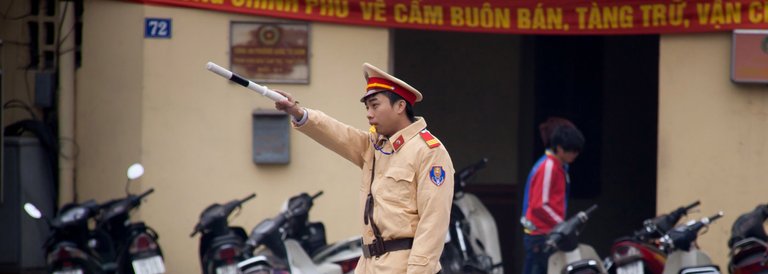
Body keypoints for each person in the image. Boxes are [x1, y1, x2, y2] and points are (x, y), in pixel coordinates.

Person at [273, 63, 454, 274]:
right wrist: (296, 111)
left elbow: (433, 221)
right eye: (367, 107)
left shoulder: (428, 151)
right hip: (368, 264)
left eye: (375, 105)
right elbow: (337, 134)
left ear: (400, 106)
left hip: (404, 266)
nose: (369, 114)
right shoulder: (375, 147)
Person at [520, 120, 585, 274]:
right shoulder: (549, 166)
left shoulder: (559, 167)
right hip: (541, 236)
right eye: (572, 151)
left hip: (548, 234)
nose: (575, 155)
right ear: (560, 148)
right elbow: (540, 205)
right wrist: (563, 225)